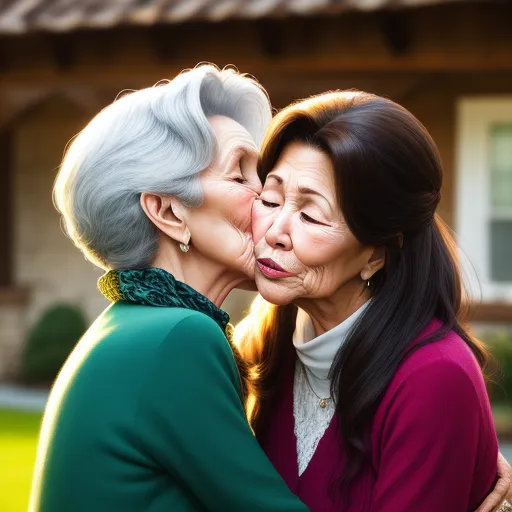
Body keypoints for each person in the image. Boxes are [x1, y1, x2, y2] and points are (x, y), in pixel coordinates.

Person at [29, 65, 309, 512]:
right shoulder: (179, 338)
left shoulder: (134, 326)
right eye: (240, 176)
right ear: (169, 213)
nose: (268, 197)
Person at [236, 90, 510, 511]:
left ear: (377, 253)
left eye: (310, 215)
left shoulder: (433, 379)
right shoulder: (266, 333)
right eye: (270, 199)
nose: (274, 230)